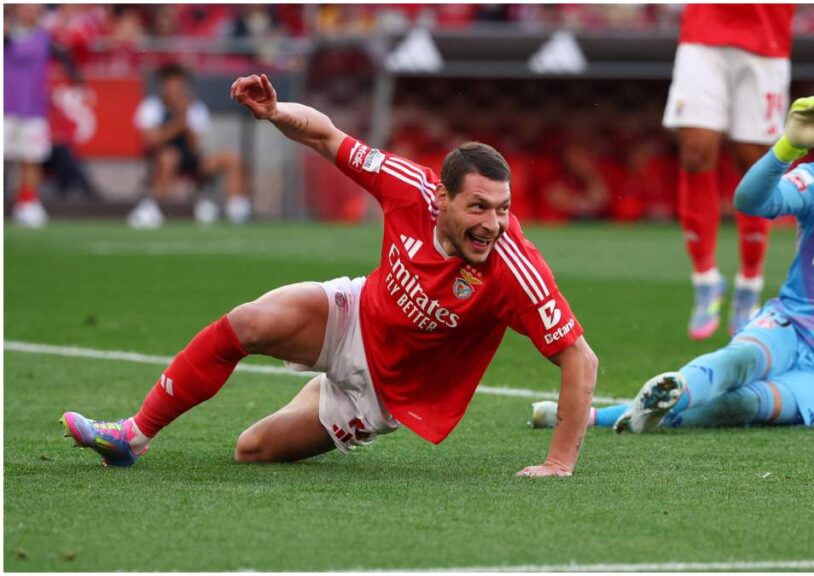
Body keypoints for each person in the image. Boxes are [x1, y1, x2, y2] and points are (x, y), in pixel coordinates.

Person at [62, 73, 598, 478]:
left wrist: (559, 463)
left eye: (502, 209)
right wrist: (275, 112)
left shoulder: (513, 268)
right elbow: (326, 137)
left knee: (251, 450)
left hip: (380, 394)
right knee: (249, 322)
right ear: (442, 198)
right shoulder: (409, 187)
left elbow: (578, 356)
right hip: (355, 314)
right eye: (479, 208)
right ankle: (134, 435)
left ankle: (325, 395)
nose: (493, 224)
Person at [530, 87, 814, 433]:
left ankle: (594, 416)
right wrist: (787, 149)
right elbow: (750, 202)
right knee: (737, 361)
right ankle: (625, 408)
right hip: (790, 326)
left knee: (747, 405)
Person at [664, 4, 795, 339]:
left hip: (767, 35)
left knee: (755, 164)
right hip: (704, 32)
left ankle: (750, 284)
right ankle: (705, 280)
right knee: (695, 153)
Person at [128, 62, 251, 227]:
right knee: (169, 157)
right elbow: (152, 140)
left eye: (179, 84)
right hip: (162, 159)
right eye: (170, 84)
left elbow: (195, 145)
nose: (175, 89)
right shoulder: (151, 107)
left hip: (191, 158)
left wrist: (185, 116)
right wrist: (179, 122)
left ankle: (237, 212)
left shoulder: (195, 108)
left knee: (232, 158)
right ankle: (154, 208)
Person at [4, 4, 82, 227]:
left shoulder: (46, 38)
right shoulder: (6, 34)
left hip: (33, 107)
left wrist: (77, 80)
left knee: (31, 159)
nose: (29, 10)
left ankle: (26, 203)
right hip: (4, 106)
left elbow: (66, 58)